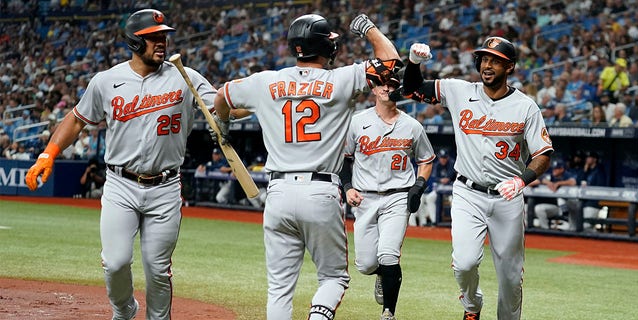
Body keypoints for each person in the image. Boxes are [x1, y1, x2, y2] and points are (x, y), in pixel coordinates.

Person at [25, 9, 217, 320]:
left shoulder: (185, 76)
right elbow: (76, 120)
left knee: (157, 269)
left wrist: (237, 104)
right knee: (115, 262)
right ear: (133, 42)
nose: (162, 42)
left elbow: (219, 104)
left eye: (163, 36)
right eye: (153, 37)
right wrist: (48, 153)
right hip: (120, 184)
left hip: (165, 186)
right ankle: (125, 310)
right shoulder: (107, 80)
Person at [212, 13, 401, 320]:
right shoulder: (342, 79)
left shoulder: (266, 81)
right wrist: (369, 29)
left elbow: (222, 96)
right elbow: (391, 63)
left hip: (277, 191)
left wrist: (223, 122)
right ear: (326, 48)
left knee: (279, 288)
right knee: (334, 278)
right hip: (320, 190)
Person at [395, 38, 553, 320]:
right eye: (484, 59)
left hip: (507, 198)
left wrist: (522, 180)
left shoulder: (526, 107)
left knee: (510, 277)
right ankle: (472, 305)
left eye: (495, 60)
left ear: (510, 67)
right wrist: (414, 64)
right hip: (468, 192)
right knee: (464, 264)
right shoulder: (459, 91)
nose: (487, 65)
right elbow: (411, 89)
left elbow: (543, 154)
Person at [340, 79, 435, 320]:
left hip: (397, 196)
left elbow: (426, 159)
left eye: (392, 85)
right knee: (365, 265)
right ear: (373, 89)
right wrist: (348, 187)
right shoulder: (357, 121)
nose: (386, 89)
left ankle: (388, 313)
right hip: (365, 198)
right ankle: (382, 275)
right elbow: (344, 158)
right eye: (382, 85)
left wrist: (419, 185)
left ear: (399, 90)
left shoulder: (412, 126)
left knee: (388, 254)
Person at [412, 148, 456, 227]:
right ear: (439, 158)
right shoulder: (437, 165)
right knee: (430, 198)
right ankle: (434, 222)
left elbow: (452, 177)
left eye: (445, 158)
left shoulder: (452, 163)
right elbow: (434, 177)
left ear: (448, 157)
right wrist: (440, 180)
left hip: (452, 190)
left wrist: (447, 179)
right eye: (442, 158)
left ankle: (455, 223)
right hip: (440, 189)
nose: (443, 160)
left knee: (453, 201)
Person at [531, 159, 578, 230]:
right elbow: (537, 180)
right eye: (553, 168)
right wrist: (547, 182)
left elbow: (573, 182)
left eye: (556, 169)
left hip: (568, 206)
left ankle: (566, 221)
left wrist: (559, 183)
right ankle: (545, 230)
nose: (554, 170)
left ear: (562, 169)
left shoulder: (566, 174)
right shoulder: (551, 175)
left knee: (562, 200)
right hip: (555, 206)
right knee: (539, 208)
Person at [573, 151, 607, 231]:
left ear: (595, 159)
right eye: (587, 158)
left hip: (593, 203)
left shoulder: (599, 171)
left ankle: (595, 239)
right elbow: (577, 182)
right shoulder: (585, 170)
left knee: (586, 226)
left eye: (589, 157)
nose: (587, 159)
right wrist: (584, 171)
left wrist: (588, 187)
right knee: (578, 226)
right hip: (582, 202)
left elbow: (600, 187)